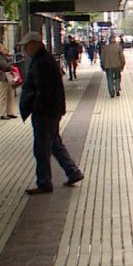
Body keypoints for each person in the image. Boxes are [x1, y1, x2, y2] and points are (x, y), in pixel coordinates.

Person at [18, 32, 83, 195]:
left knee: (41, 148)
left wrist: (36, 107)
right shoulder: (44, 60)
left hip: (45, 112)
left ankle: (44, 182)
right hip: (52, 109)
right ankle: (72, 171)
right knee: (54, 143)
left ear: (34, 44)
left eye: (26, 46)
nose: (25, 50)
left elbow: (43, 90)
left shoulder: (41, 63)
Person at [0, 43, 18, 120]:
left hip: (7, 77)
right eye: (2, 47)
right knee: (3, 95)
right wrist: (10, 63)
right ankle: (2, 113)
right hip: (2, 77)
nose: (3, 48)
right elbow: (5, 66)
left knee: (10, 94)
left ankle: (10, 112)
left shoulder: (2, 56)